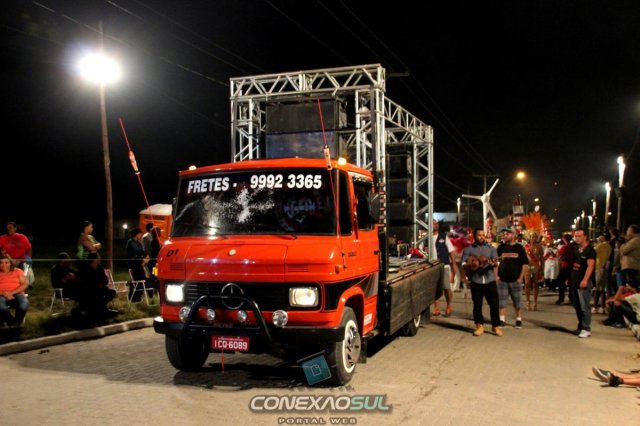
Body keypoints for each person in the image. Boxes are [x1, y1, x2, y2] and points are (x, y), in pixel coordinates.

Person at [462, 228, 502, 336]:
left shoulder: (491, 249)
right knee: (477, 305)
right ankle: (479, 325)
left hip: (490, 280)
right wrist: (472, 264)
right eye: (479, 235)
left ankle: (496, 326)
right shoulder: (468, 249)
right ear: (474, 236)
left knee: (494, 304)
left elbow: (497, 262)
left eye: (483, 235)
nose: (481, 237)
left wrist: (495, 263)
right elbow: (463, 264)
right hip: (476, 281)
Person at [496, 227, 528, 328]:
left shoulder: (519, 248)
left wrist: (521, 278)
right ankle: (502, 319)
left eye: (507, 234)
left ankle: (518, 319)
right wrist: (496, 275)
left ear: (513, 235)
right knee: (501, 301)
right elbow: (495, 262)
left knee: (517, 302)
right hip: (502, 280)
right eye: (504, 234)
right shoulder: (500, 247)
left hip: (515, 280)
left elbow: (524, 264)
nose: (505, 235)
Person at [428, 220, 458, 317]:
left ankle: (449, 305)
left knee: (446, 287)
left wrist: (454, 264)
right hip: (431, 266)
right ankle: (436, 308)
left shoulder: (444, 236)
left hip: (444, 265)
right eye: (433, 224)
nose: (435, 225)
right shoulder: (426, 238)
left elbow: (451, 251)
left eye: (436, 224)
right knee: (434, 288)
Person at [570, 228, 596, 338]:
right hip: (575, 281)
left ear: (585, 237)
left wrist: (585, 280)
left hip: (584, 282)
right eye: (576, 236)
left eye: (579, 236)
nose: (577, 238)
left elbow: (590, 266)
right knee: (577, 306)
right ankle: (581, 326)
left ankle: (586, 328)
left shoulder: (590, 251)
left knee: (584, 306)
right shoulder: (576, 249)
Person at [0, 254, 29, 327]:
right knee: (1, 307)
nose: (3, 265)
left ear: (10, 263)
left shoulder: (17, 271)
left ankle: (17, 322)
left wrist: (11, 293)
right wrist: (3, 293)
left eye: (6, 263)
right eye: (1, 263)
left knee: (24, 305)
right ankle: (13, 323)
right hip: (1, 295)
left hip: (17, 294)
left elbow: (24, 285)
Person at [592, 235, 612, 314]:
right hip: (605, 268)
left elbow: (593, 252)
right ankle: (602, 307)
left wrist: (597, 243)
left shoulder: (600, 246)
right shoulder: (609, 247)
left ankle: (595, 307)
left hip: (598, 267)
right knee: (603, 289)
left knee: (596, 288)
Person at [555, 233, 575, 305]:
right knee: (571, 283)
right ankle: (572, 298)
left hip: (565, 266)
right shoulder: (573, 247)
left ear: (565, 239)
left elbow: (559, 255)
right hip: (572, 266)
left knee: (561, 282)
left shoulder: (565, 247)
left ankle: (561, 298)